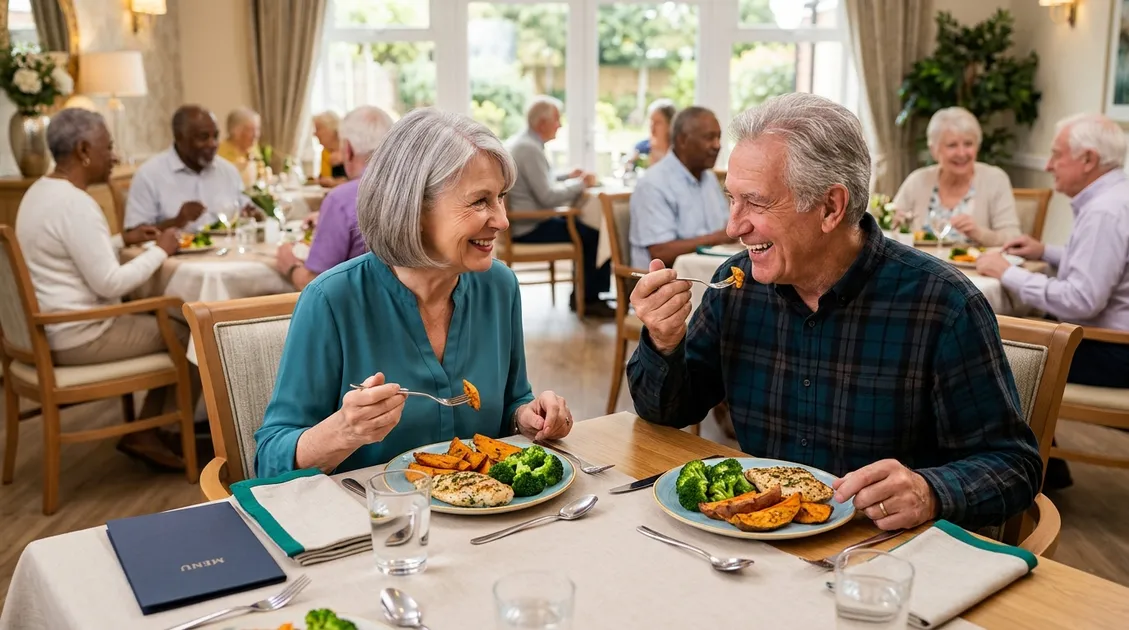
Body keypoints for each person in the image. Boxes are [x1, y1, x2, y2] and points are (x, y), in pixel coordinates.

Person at [626, 93, 1042, 531]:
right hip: (755, 541)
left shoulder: (943, 305)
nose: (734, 226)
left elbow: (1014, 465)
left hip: (880, 553)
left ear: (830, 207)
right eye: (731, 198)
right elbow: (666, 413)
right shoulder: (737, 286)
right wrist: (664, 342)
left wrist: (930, 491)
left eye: (756, 202)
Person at [255, 108, 574, 477]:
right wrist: (345, 431)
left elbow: (510, 403)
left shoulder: (499, 287)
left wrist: (527, 416)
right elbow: (269, 462)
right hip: (376, 523)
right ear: (415, 206)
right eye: (480, 200)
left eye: (501, 197)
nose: (502, 219)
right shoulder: (331, 300)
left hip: (489, 519)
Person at [15, 108, 190, 470]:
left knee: (171, 321)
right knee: (191, 331)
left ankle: (155, 428)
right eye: (108, 147)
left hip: (44, 334)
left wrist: (119, 239)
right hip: (80, 337)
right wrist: (163, 249)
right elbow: (110, 282)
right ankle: (159, 430)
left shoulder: (38, 193)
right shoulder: (76, 204)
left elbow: (66, 253)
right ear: (83, 150)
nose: (114, 156)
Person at [977, 113, 1129, 490]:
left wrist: (1006, 272)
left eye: (1057, 154)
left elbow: (1081, 301)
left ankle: (1024, 476)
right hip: (1114, 342)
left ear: (1089, 160)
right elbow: (1104, 265)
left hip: (1115, 353)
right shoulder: (1116, 196)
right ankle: (1049, 467)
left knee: (994, 351)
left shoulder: (1105, 212)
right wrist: (1048, 251)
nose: (1047, 165)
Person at [506, 95, 612, 316]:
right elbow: (548, 197)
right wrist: (581, 183)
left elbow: (541, 180)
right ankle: (589, 299)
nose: (560, 124)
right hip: (529, 226)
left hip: (527, 221)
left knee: (585, 229)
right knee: (593, 234)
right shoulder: (529, 149)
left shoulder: (525, 143)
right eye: (557, 119)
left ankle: (582, 295)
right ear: (542, 123)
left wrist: (567, 177)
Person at [276, 105, 395, 290]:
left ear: (347, 150)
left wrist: (290, 265)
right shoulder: (414, 191)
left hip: (357, 311)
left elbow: (318, 286)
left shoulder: (341, 200)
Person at [893, 107, 1021, 246]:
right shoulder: (917, 180)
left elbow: (1013, 239)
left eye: (968, 144)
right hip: (919, 266)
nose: (961, 153)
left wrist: (979, 233)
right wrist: (895, 224)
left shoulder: (995, 179)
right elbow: (887, 225)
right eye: (952, 145)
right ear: (934, 150)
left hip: (974, 267)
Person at [629, 106, 732, 269]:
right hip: (666, 284)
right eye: (709, 138)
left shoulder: (709, 178)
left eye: (718, 138)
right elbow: (661, 253)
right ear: (682, 140)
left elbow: (727, 227)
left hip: (707, 269)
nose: (717, 145)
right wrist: (720, 238)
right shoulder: (653, 183)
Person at [124, 105, 248, 232]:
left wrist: (252, 215)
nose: (213, 144)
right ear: (179, 137)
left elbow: (245, 214)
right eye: (203, 137)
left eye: (215, 136)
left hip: (228, 249)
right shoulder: (149, 175)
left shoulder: (228, 172)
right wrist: (177, 221)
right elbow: (134, 234)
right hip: (173, 251)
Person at [217, 106, 261, 186]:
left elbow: (261, 174)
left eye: (257, 129)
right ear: (236, 132)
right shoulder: (220, 153)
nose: (256, 135)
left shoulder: (253, 149)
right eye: (251, 130)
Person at [629, 99, 677, 166]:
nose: (652, 126)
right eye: (651, 121)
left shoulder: (678, 152)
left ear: (670, 125)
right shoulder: (641, 149)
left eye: (658, 123)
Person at [313, 110, 347, 187]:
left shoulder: (350, 149)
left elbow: (360, 183)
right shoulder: (325, 152)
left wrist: (334, 183)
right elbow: (325, 180)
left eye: (318, 129)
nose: (314, 134)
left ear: (331, 128)